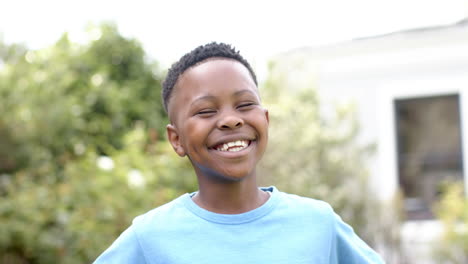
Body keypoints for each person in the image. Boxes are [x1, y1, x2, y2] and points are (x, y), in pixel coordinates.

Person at [94, 42, 385, 264]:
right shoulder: (150, 237)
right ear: (176, 139)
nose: (231, 120)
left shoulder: (318, 223)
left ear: (266, 120)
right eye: (206, 111)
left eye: (245, 105)